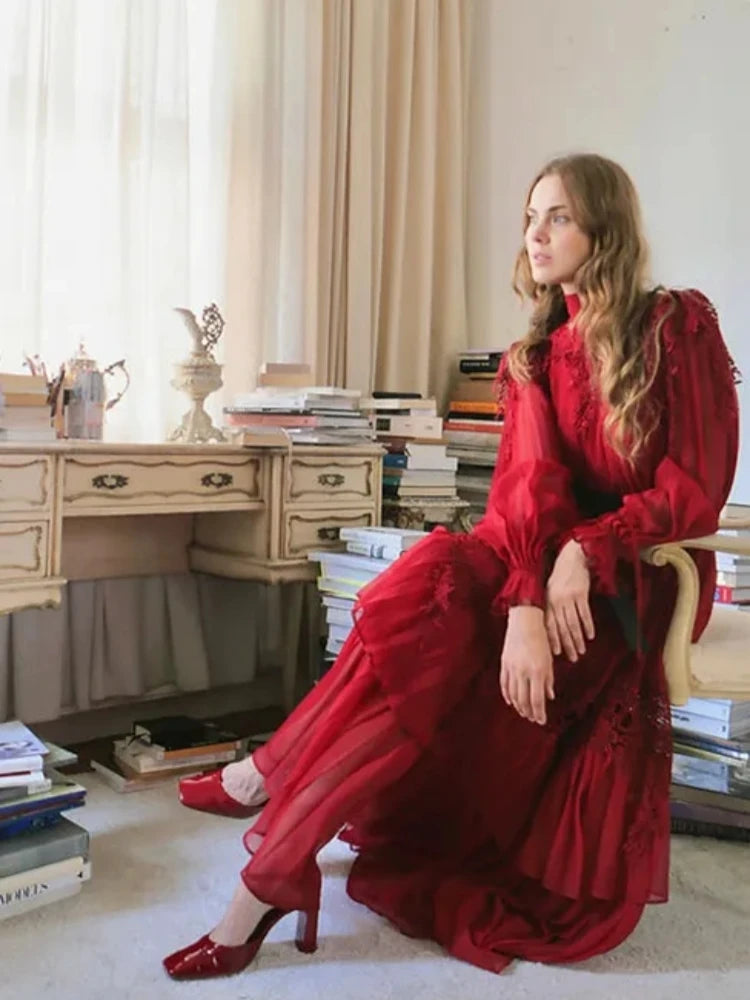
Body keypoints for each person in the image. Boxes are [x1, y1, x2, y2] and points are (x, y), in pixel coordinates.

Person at [164, 153, 739, 980]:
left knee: (439, 626)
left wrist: (591, 547)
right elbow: (528, 494)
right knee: (434, 591)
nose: (535, 235)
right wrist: (528, 602)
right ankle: (271, 871)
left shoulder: (675, 325)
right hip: (548, 570)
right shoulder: (534, 354)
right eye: (530, 218)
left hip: (641, 579)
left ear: (604, 226)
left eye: (558, 217)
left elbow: (696, 487)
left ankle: (271, 790)